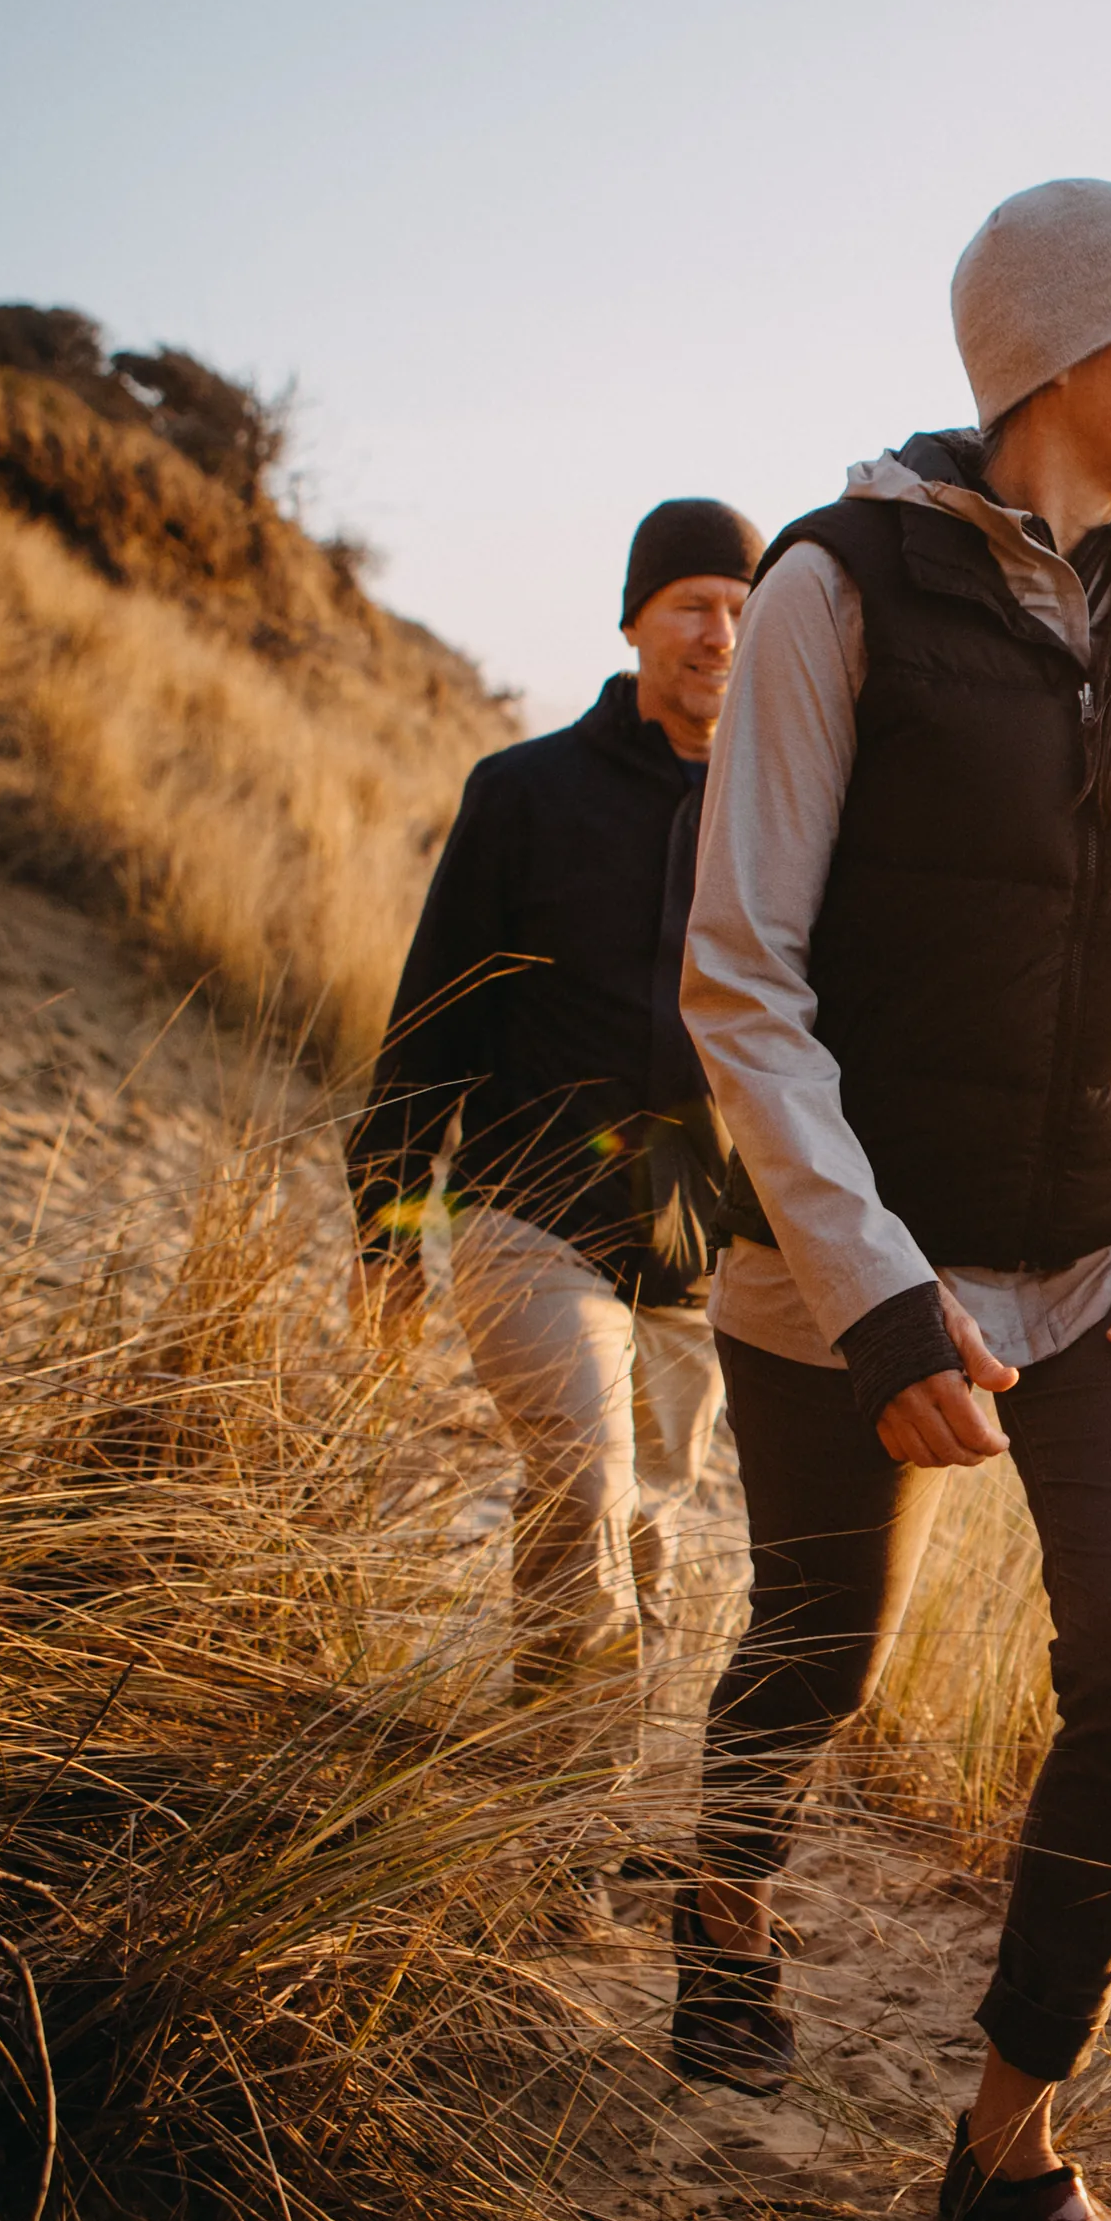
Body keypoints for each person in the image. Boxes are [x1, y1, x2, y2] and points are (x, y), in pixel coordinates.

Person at [677, 181, 1111, 2221]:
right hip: (859, 1258)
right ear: (1054, 351)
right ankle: (725, 1895)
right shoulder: (835, 586)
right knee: (820, 1645)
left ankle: (1009, 2149)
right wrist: (878, 1292)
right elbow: (739, 982)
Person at [349, 498, 763, 1706]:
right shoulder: (526, 793)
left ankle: (601, 1797)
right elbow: (433, 1021)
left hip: (690, 1228)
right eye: (693, 605)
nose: (719, 635)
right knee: (585, 1481)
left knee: (650, 1521)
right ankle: (566, 1819)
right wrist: (386, 1228)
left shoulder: (775, 821)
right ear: (635, 618)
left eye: (744, 612)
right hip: (524, 1205)